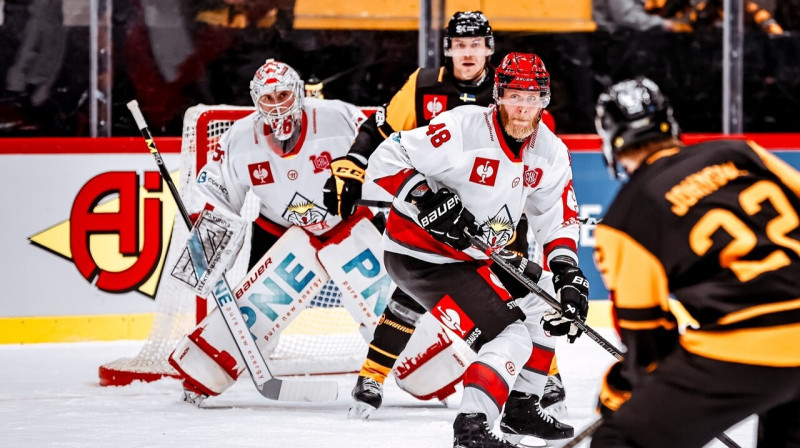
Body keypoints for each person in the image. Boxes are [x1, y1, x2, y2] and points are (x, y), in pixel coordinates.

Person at [322, 10, 567, 421]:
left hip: (499, 225)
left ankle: (540, 379)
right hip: (434, 215)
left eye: (476, 44)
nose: (467, 53)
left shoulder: (512, 87)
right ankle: (372, 376)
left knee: (523, 297)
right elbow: (380, 131)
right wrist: (352, 166)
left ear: (489, 49)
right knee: (414, 293)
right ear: (448, 48)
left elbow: (536, 156)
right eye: (460, 44)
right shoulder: (422, 86)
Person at [366, 52, 590, 447]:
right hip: (421, 255)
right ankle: (471, 427)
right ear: (498, 96)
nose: (524, 108)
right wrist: (424, 198)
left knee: (551, 300)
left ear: (545, 100)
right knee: (511, 336)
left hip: (478, 252)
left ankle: (522, 407)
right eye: (516, 96)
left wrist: (570, 275)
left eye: (533, 97)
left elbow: (556, 219)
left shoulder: (550, 151)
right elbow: (386, 157)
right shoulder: (461, 128)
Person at [591, 77, 800, 447]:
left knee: (620, 441)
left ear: (612, 144)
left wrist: (625, 388)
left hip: (753, 343)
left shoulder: (626, 216)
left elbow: (647, 334)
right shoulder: (740, 152)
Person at [176, 58, 373, 401]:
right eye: (268, 98)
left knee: (385, 304)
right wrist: (209, 234)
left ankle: (426, 365)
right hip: (278, 230)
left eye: (283, 94)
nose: (277, 105)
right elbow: (212, 189)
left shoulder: (337, 116)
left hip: (347, 223)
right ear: (256, 101)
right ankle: (204, 375)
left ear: (298, 92)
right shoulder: (239, 138)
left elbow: (380, 146)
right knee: (256, 309)